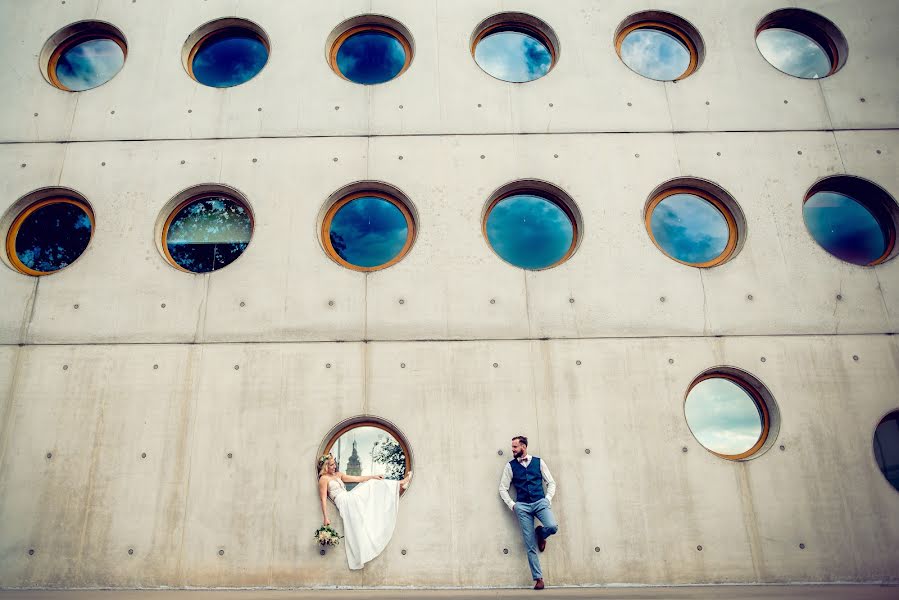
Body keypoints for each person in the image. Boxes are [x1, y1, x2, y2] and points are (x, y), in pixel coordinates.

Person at [318, 453, 412, 570]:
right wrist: (325, 517)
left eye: (334, 464)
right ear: (326, 466)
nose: (334, 467)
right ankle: (401, 484)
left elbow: (358, 479)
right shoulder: (323, 479)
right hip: (343, 501)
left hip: (349, 499)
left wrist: (373, 476)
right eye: (331, 465)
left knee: (372, 483)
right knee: (371, 486)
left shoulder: (339, 475)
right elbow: (323, 499)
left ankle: (399, 484)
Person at [499, 435, 558, 590]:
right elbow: (502, 488)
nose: (512, 450)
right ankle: (538, 578)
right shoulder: (510, 466)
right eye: (512, 447)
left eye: (515, 447)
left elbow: (551, 482)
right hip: (523, 506)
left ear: (523, 447)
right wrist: (513, 505)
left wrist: (547, 499)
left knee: (552, 527)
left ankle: (542, 533)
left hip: (540, 502)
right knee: (529, 544)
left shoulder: (539, 462)